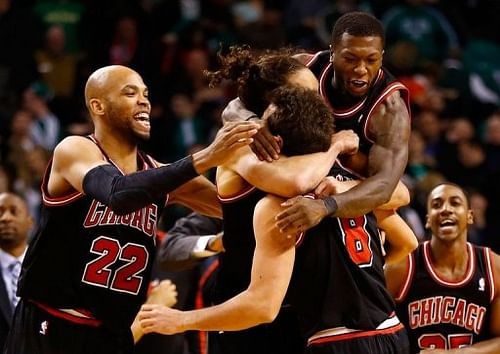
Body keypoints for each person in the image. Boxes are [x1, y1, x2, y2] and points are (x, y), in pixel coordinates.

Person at [3, 65, 259, 354]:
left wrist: (253, 156)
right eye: (130, 93)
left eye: (146, 94)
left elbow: (240, 212)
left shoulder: (161, 176)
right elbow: (118, 193)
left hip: (112, 333)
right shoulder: (74, 150)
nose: (144, 101)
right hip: (51, 323)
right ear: (97, 106)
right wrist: (207, 156)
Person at [138, 91, 417, 354]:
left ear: (275, 144)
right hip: (392, 331)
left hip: (337, 339)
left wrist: (180, 321)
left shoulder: (278, 206)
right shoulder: (355, 189)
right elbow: (408, 242)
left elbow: (262, 307)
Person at [224, 12, 411, 234]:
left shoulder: (389, 109)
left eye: (371, 60)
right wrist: (252, 122)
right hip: (295, 170)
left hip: (344, 193)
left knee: (400, 213)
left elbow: (383, 187)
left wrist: (325, 207)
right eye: (350, 58)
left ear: (381, 56)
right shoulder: (303, 69)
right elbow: (235, 106)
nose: (361, 69)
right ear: (333, 53)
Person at [384, 183, 500, 354]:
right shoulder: (403, 266)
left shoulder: (493, 267)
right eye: (437, 205)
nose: (446, 209)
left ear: (470, 216)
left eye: (455, 203)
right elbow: (373, 329)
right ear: (428, 220)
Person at [0, 193, 32, 349]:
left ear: (30, 222)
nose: (6, 218)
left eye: (14, 211)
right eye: (0, 212)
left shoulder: (45, 267)